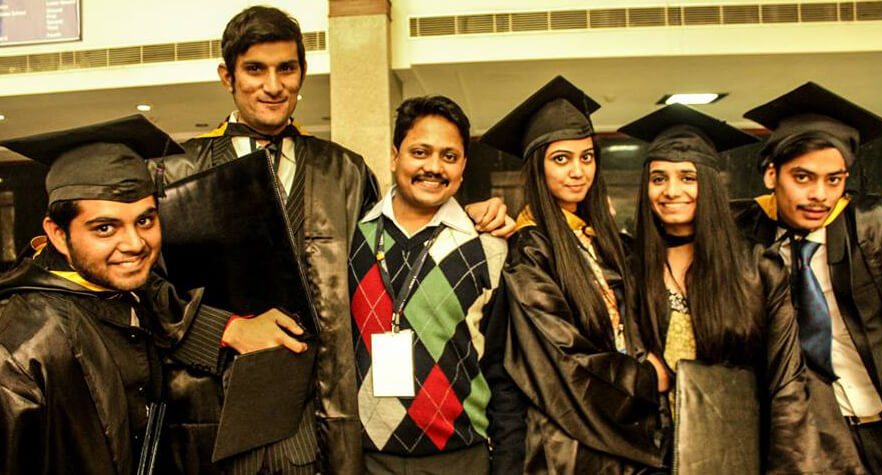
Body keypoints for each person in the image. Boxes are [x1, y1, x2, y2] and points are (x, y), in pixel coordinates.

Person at [155, 6, 515, 473]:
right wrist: (227, 329)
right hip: (216, 421)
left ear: (302, 73)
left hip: (321, 429)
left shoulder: (343, 171)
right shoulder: (178, 172)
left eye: (286, 69)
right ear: (228, 77)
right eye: (255, 69)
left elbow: (395, 236)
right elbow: (146, 290)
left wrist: (467, 216)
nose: (273, 85)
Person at [479, 76, 668, 473]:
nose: (578, 171)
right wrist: (646, 379)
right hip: (568, 447)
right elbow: (564, 358)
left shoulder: (603, 241)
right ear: (538, 167)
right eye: (561, 159)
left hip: (621, 433)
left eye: (587, 157)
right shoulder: (530, 251)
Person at [619, 103, 821, 471]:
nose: (671, 190)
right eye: (659, 178)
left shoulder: (756, 268)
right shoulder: (631, 268)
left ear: (710, 185)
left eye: (688, 177)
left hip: (734, 453)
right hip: (651, 453)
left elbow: (786, 383)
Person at [0, 115, 204, 473]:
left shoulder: (126, 296)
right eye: (105, 228)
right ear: (58, 234)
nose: (135, 244)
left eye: (145, 220)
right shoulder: (21, 346)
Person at [733, 82, 882, 474]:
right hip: (813, 445)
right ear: (771, 175)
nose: (820, 195)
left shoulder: (881, 228)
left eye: (834, 180)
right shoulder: (744, 239)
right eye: (803, 178)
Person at [348, 96, 521, 473]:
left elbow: (503, 371)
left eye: (449, 156)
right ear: (394, 157)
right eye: (420, 152)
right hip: (366, 459)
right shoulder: (350, 241)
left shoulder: (489, 247)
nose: (433, 167)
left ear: (463, 167)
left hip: (462, 458)